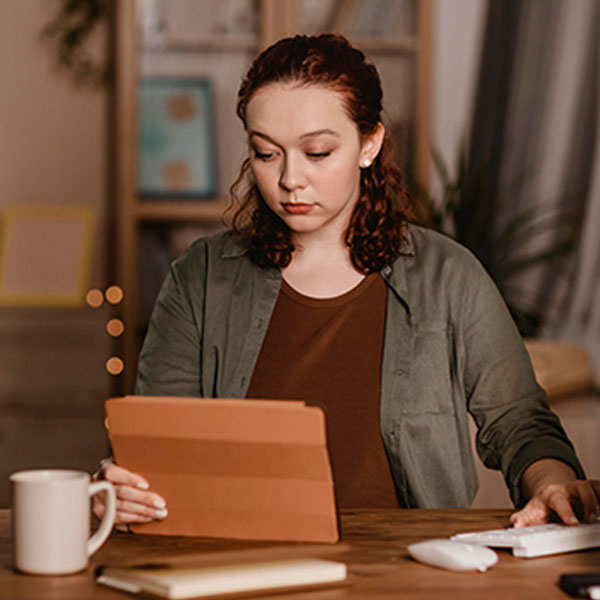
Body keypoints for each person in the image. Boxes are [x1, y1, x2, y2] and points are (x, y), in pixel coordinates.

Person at [94, 33, 600, 531]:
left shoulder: (448, 276)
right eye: (267, 154)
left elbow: (521, 424)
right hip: (238, 562)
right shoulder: (200, 278)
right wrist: (122, 490)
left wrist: (551, 484)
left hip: (409, 568)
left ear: (369, 144)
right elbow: (158, 446)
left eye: (317, 153)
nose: (291, 179)